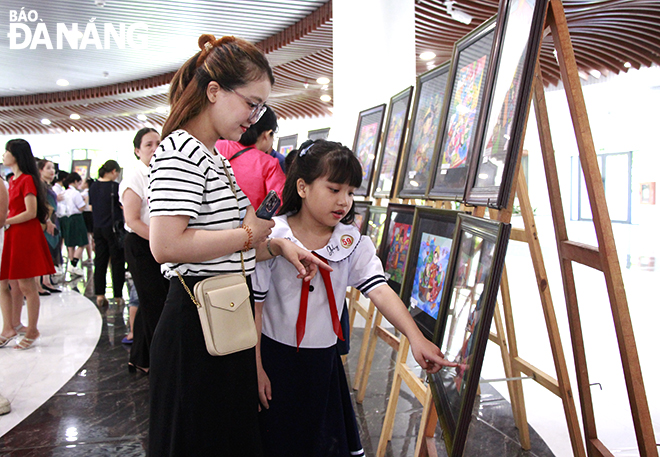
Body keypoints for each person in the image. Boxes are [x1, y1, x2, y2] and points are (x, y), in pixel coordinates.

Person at [147, 33, 330, 457]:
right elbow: (166, 243)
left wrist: (279, 247)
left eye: (261, 107)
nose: (255, 117)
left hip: (222, 319)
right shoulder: (181, 151)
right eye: (251, 103)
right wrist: (250, 235)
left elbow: (226, 245)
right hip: (197, 323)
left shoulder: (212, 155)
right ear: (213, 91)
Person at [253, 139, 457, 457]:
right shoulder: (275, 235)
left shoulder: (351, 242)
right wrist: (256, 366)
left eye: (350, 192)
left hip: (324, 364)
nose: (344, 201)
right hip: (274, 361)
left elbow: (379, 289)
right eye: (334, 189)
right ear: (303, 187)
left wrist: (415, 337)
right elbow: (257, 304)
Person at [119, 127, 168, 374]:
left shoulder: (159, 173)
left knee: (153, 302)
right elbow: (133, 220)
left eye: (159, 142)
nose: (155, 148)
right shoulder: (135, 176)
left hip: (156, 243)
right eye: (148, 144)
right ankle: (154, 361)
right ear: (137, 150)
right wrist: (163, 239)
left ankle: (140, 357)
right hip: (141, 244)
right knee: (153, 303)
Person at [0, 139, 55, 349]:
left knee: (27, 285)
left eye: (7, 151)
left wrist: (5, 220)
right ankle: (17, 326)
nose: (4, 155)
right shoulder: (13, 180)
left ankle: (32, 329)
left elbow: (30, 212)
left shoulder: (27, 180)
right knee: (17, 284)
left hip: (24, 234)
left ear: (16, 155)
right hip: (15, 234)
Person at [215, 104, 285, 207]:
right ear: (267, 134)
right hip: (246, 222)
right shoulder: (269, 164)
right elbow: (279, 205)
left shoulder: (216, 146)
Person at [88, 160, 125, 308]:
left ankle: (99, 294)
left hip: (98, 228)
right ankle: (118, 295)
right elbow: (122, 206)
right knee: (117, 262)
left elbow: (91, 207)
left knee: (100, 261)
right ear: (113, 172)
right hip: (113, 229)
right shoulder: (115, 187)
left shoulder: (93, 187)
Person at [36, 159, 62, 293]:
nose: (52, 171)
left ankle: (46, 280)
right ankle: (41, 282)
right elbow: (41, 205)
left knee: (49, 250)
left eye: (53, 168)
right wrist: (47, 220)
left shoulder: (48, 186)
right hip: (45, 221)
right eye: (48, 168)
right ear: (40, 170)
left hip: (52, 219)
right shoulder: (40, 186)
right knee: (43, 249)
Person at [60, 172, 88, 277]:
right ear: (75, 181)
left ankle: (71, 267)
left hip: (66, 218)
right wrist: (85, 201)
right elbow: (80, 207)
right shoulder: (75, 193)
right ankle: (74, 264)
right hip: (76, 218)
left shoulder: (64, 193)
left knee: (70, 244)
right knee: (82, 242)